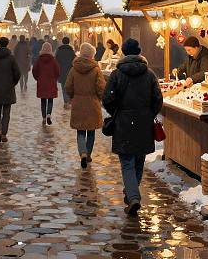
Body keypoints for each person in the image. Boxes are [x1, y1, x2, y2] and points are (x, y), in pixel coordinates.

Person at [102, 38, 163, 216]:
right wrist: (149, 114)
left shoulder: (116, 74)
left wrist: (117, 112)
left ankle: (133, 195)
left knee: (127, 162)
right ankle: (132, 194)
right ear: (139, 52)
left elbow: (107, 99)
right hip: (144, 122)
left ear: (123, 52)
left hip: (123, 121)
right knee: (138, 161)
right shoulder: (149, 74)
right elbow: (157, 99)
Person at [65, 43, 106, 168]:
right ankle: (88, 154)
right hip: (92, 103)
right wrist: (100, 97)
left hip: (78, 103)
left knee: (80, 131)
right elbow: (101, 87)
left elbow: (68, 86)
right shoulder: (96, 69)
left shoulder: (74, 69)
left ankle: (82, 152)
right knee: (91, 132)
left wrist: (73, 96)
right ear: (91, 55)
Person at [32, 42, 60, 126]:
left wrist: (38, 78)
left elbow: (34, 70)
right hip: (51, 82)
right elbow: (58, 71)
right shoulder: (53, 60)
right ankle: (49, 114)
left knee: (43, 100)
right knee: (50, 99)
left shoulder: (39, 60)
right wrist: (55, 78)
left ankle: (44, 117)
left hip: (42, 83)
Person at [55, 37, 76, 109]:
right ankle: (70, 100)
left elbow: (56, 61)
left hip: (62, 71)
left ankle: (66, 101)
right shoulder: (71, 51)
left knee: (64, 87)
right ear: (69, 42)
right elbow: (74, 61)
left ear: (62, 42)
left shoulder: (59, 51)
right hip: (70, 71)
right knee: (70, 86)